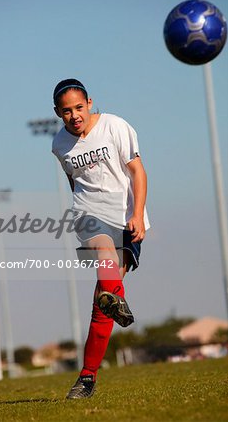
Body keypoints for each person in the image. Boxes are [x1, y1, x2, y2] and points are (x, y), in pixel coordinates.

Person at [52, 78, 150, 399]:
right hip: (89, 216)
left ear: (90, 103)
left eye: (79, 107)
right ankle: (115, 302)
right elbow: (74, 182)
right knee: (106, 263)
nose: (74, 116)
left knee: (103, 302)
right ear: (58, 113)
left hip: (126, 217)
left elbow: (137, 171)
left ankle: (87, 377)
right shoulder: (59, 144)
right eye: (66, 111)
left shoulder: (115, 126)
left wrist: (137, 215)